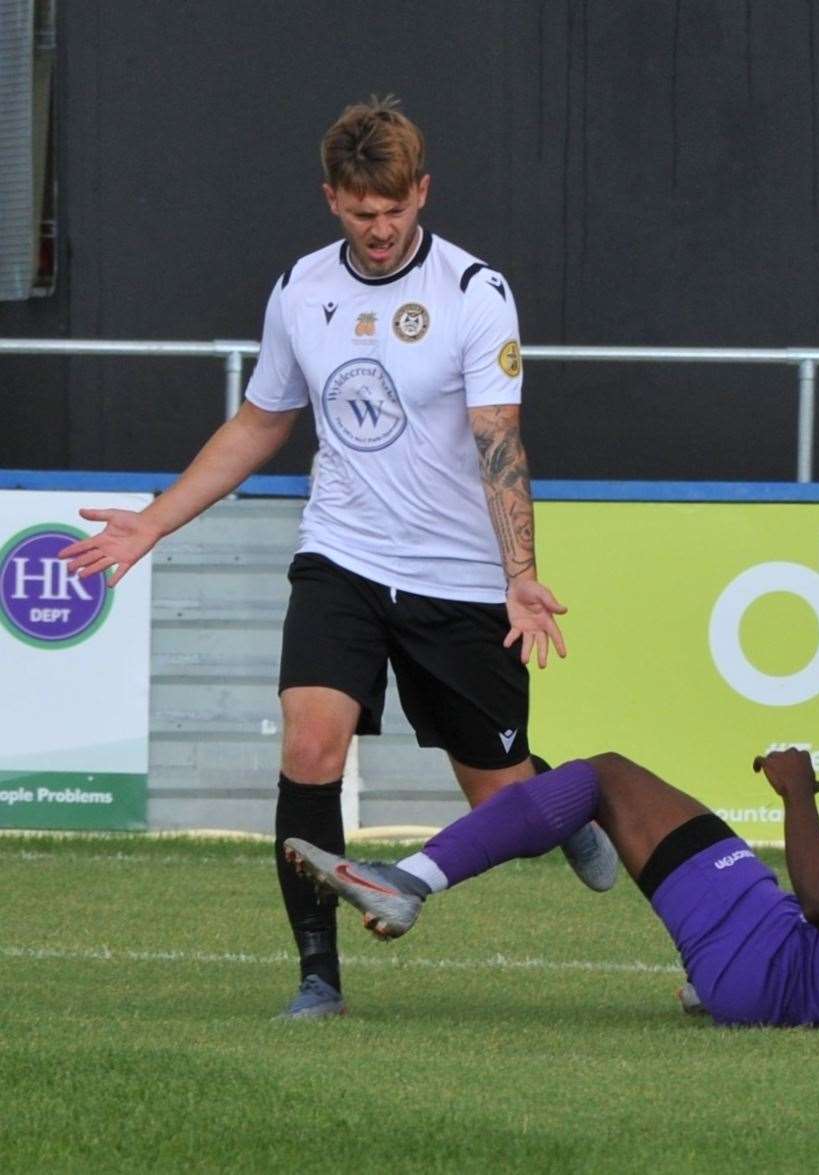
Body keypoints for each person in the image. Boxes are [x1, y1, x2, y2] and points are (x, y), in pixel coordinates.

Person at [59, 97, 617, 1019]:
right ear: (331, 200)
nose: (382, 228)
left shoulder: (475, 292)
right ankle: (319, 975)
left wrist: (519, 573)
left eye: (395, 209)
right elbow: (261, 420)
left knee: (502, 805)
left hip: (458, 577)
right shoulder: (299, 289)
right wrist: (155, 522)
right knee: (309, 747)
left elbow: (498, 438)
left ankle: (564, 804)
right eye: (363, 212)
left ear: (421, 191)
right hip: (343, 556)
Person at [283, 749, 819, 1032]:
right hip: (780, 979)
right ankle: (567, 837)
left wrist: (798, 789)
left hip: (765, 956)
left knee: (606, 777)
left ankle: (409, 883)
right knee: (610, 794)